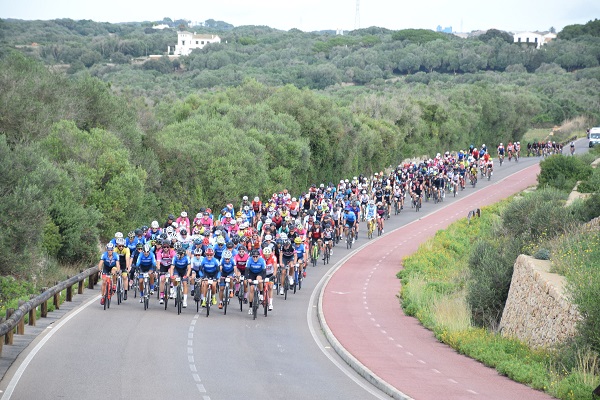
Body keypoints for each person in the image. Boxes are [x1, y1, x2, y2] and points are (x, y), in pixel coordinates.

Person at [246, 249, 266, 315]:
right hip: (251, 274)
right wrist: (248, 278)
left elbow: (264, 271)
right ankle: (250, 307)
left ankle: (260, 293)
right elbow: (247, 270)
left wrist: (263, 279)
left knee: (258, 279)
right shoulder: (249, 260)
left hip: (259, 273)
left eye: (256, 256)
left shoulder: (262, 261)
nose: (255, 258)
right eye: (253, 256)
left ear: (259, 256)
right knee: (251, 289)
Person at [262, 247, 277, 311]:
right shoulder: (261, 257)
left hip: (270, 274)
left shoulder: (273, 257)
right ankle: (262, 297)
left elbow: (275, 268)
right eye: (265, 254)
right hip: (263, 273)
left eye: (268, 254)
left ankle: (270, 303)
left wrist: (274, 276)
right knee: (262, 286)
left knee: (270, 287)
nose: (266, 256)